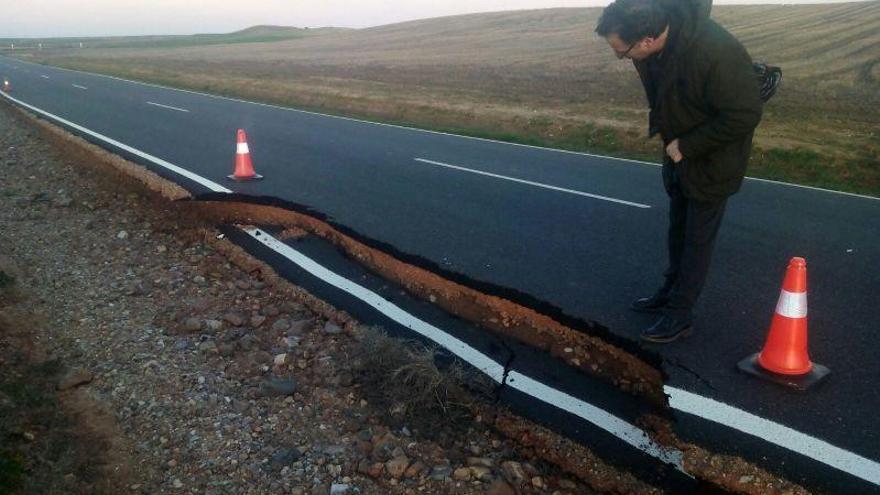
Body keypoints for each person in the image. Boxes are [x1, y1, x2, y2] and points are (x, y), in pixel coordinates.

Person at [595, 0, 763, 343]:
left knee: (696, 242)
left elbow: (745, 113)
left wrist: (686, 145)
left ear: (645, 40)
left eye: (621, 52)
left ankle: (680, 316)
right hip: (678, 157)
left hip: (712, 162)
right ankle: (668, 294)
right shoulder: (658, 45)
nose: (622, 58)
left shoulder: (715, 50)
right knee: (678, 233)